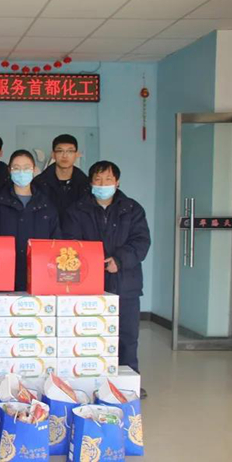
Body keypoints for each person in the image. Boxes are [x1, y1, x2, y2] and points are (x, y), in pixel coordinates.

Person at [62, 161, 151, 398]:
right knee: (88, 334)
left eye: (108, 179)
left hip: (125, 282)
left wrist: (119, 260)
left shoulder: (132, 209)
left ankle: (128, 383)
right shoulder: (76, 210)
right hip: (88, 283)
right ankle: (90, 383)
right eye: (98, 180)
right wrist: (91, 263)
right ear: (91, 182)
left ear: (117, 182)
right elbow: (70, 243)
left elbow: (141, 241)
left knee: (127, 336)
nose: (103, 184)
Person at [0, 150, 61, 291]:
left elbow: (56, 245)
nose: (21, 172)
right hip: (3, 280)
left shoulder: (47, 205)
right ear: (9, 171)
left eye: (26, 168)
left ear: (34, 170)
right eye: (16, 168)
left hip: (40, 280)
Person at [33, 134, 90, 217]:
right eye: (60, 151)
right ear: (53, 154)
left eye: (70, 151)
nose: (65, 156)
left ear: (77, 155)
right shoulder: (39, 183)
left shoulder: (86, 184)